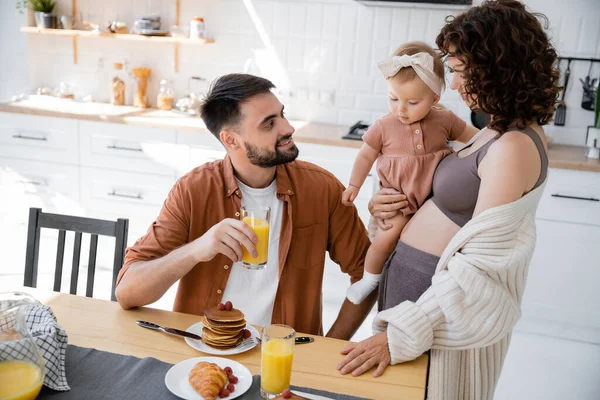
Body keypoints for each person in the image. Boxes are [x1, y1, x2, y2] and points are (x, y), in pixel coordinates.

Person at [336, 1, 560, 399]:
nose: (453, 85)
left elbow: (482, 264)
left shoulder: (513, 147)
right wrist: (381, 202)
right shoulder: (497, 130)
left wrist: (401, 334)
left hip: (431, 316)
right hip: (414, 297)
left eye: (458, 71)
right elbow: (433, 190)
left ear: (496, 67)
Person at [115, 73, 377, 339]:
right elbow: (127, 292)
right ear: (231, 140)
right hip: (204, 352)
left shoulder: (321, 189)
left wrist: (330, 348)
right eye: (269, 124)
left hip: (285, 357)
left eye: (282, 115)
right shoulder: (193, 190)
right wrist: (196, 250)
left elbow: (369, 274)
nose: (288, 128)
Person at [342, 41, 478, 305]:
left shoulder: (444, 119)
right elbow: (365, 156)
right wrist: (353, 186)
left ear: (434, 99)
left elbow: (473, 138)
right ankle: (369, 279)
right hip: (399, 202)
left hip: (432, 204)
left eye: (412, 102)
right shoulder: (384, 126)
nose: (400, 109)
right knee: (387, 238)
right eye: (393, 99)